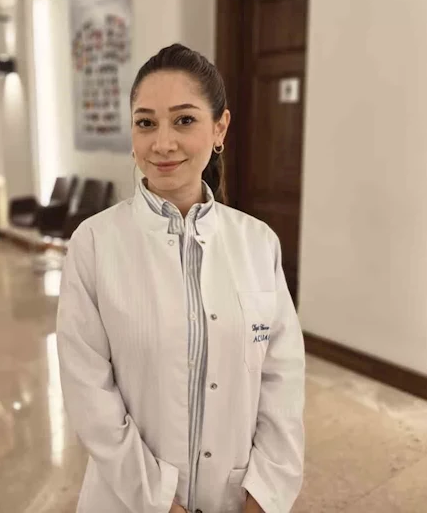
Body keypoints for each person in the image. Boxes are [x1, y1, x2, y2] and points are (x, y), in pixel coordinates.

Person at [57, 44, 305, 513]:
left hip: (235, 498)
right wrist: (157, 500)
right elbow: (88, 392)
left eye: (184, 120)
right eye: (146, 123)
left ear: (219, 128)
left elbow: (282, 381)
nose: (162, 143)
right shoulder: (94, 243)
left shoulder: (258, 243)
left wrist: (265, 494)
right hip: (127, 499)